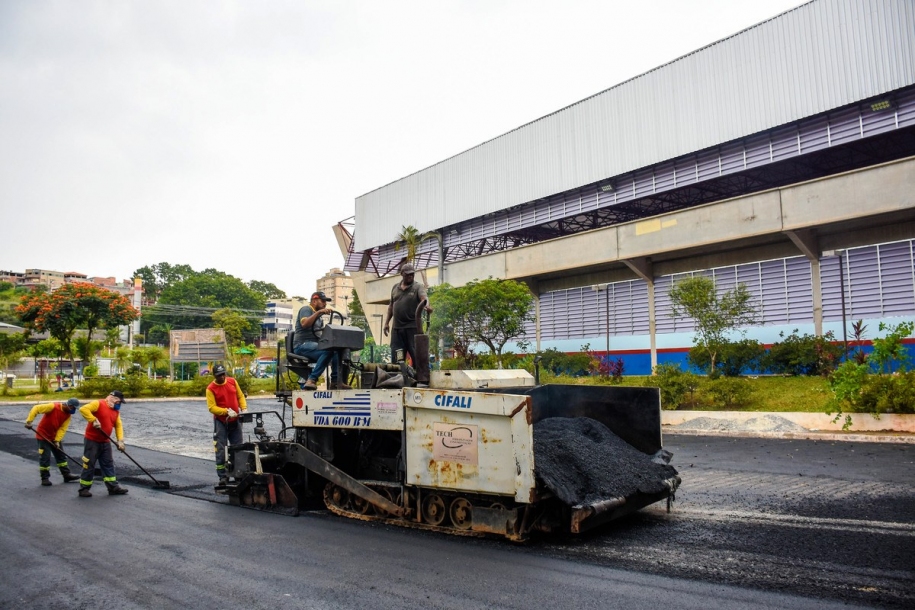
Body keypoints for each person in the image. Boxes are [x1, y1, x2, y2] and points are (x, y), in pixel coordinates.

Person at [291, 291, 349, 390]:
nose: (325, 303)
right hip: (302, 345)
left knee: (335, 350)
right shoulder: (306, 309)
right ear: (314, 301)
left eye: (325, 301)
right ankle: (311, 379)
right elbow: (305, 324)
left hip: (313, 345)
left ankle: (335, 381)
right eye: (322, 301)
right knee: (329, 350)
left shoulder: (319, 318)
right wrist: (318, 312)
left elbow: (319, 334)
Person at [77, 390, 128, 498]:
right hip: (92, 440)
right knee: (89, 464)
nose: (119, 405)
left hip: (105, 441)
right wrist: (93, 420)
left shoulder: (115, 411)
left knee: (108, 464)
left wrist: (120, 441)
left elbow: (118, 426)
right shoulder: (98, 404)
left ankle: (113, 487)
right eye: (119, 402)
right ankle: (84, 489)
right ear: (113, 399)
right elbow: (83, 409)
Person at [24, 397, 82, 486]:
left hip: (54, 436)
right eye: (73, 408)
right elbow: (36, 408)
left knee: (61, 456)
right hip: (42, 436)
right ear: (69, 405)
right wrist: (29, 421)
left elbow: (62, 429)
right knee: (45, 457)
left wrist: (57, 440)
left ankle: (66, 475)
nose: (74, 410)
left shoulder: (68, 415)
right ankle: (45, 478)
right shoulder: (53, 406)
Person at [383, 263, 433, 365]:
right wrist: (386, 323)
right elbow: (391, 306)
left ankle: (420, 378)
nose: (410, 276)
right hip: (397, 330)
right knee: (397, 358)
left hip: (412, 329)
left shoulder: (418, 287)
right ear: (402, 274)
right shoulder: (395, 288)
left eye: (412, 274)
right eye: (408, 274)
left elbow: (424, 299)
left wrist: (427, 306)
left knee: (416, 356)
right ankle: (399, 378)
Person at [207, 363, 248, 485]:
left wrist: (244, 408)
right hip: (221, 422)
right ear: (215, 376)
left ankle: (238, 474)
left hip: (235, 421)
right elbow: (211, 407)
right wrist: (225, 411)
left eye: (223, 374)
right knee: (221, 449)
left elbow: (240, 396)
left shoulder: (232, 382)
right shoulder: (210, 389)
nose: (222, 377)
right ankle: (223, 476)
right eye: (219, 375)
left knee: (238, 447)